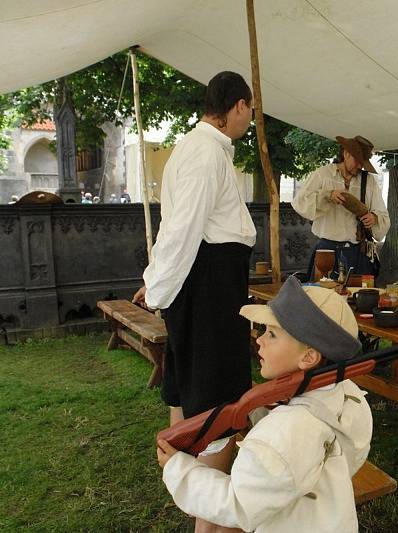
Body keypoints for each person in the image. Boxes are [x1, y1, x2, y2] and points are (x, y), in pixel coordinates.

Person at [133, 71, 256, 532]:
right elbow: (183, 229)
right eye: (249, 111)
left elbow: (176, 231)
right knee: (217, 395)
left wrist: (158, 281)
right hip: (209, 287)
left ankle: (194, 495)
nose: (249, 119)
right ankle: (211, 515)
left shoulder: (198, 149)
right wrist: (161, 287)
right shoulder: (205, 152)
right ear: (238, 106)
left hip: (201, 281)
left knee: (191, 384)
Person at [156, 277, 372, 532]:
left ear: (309, 356)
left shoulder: (282, 433)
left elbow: (237, 503)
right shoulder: (351, 396)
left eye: (272, 334)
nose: (259, 339)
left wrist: (179, 470)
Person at [292, 135, 389, 280]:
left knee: (357, 299)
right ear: (346, 153)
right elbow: (299, 202)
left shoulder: (368, 181)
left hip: (357, 252)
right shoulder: (323, 175)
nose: (359, 166)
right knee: (324, 298)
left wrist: (374, 218)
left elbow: (383, 214)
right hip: (326, 252)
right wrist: (327, 195)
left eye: (363, 162)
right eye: (357, 161)